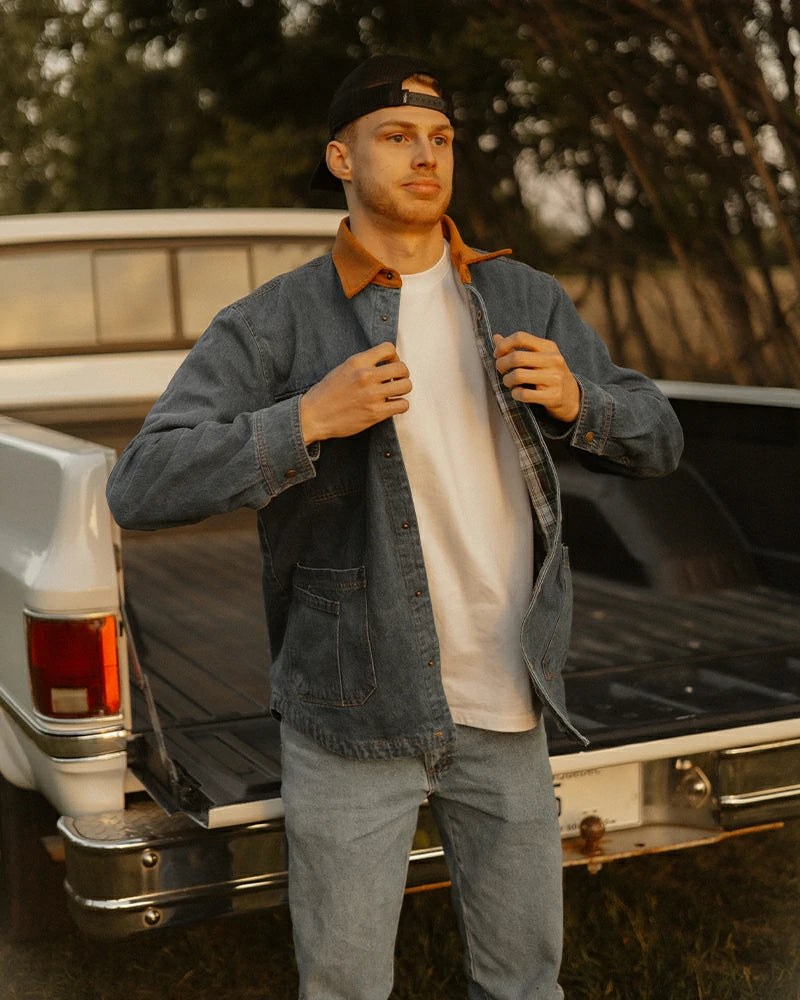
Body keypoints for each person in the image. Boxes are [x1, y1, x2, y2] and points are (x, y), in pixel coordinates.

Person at [106, 53, 683, 1000]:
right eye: (397, 136)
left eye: (441, 138)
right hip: (351, 711)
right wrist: (304, 419)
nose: (426, 155)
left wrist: (583, 400)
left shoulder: (524, 297)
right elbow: (141, 482)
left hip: (509, 699)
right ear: (341, 158)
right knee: (344, 990)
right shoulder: (277, 320)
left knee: (526, 985)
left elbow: (659, 437)